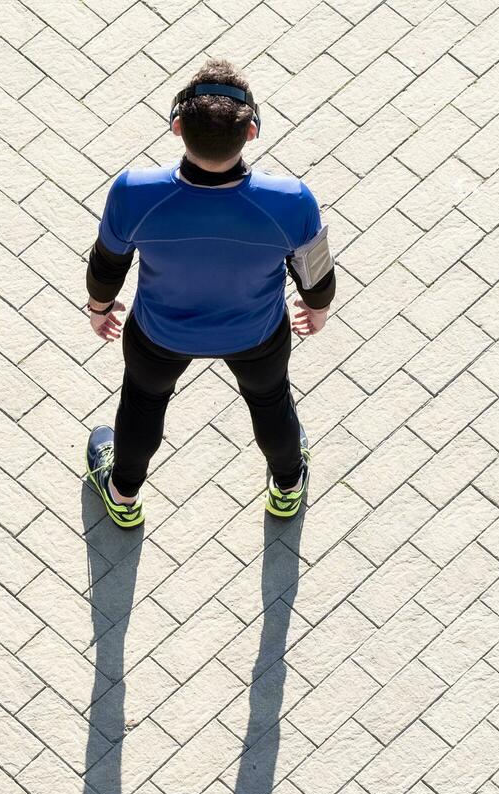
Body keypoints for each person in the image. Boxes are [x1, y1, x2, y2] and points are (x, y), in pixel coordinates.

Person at [81, 59, 336, 529]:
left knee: (142, 403)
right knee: (271, 402)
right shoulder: (292, 200)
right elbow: (316, 275)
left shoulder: (134, 192)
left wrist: (100, 308)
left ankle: (123, 496)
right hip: (257, 335)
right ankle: (287, 487)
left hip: (158, 335)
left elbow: (106, 264)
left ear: (177, 127)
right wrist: (316, 310)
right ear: (253, 131)